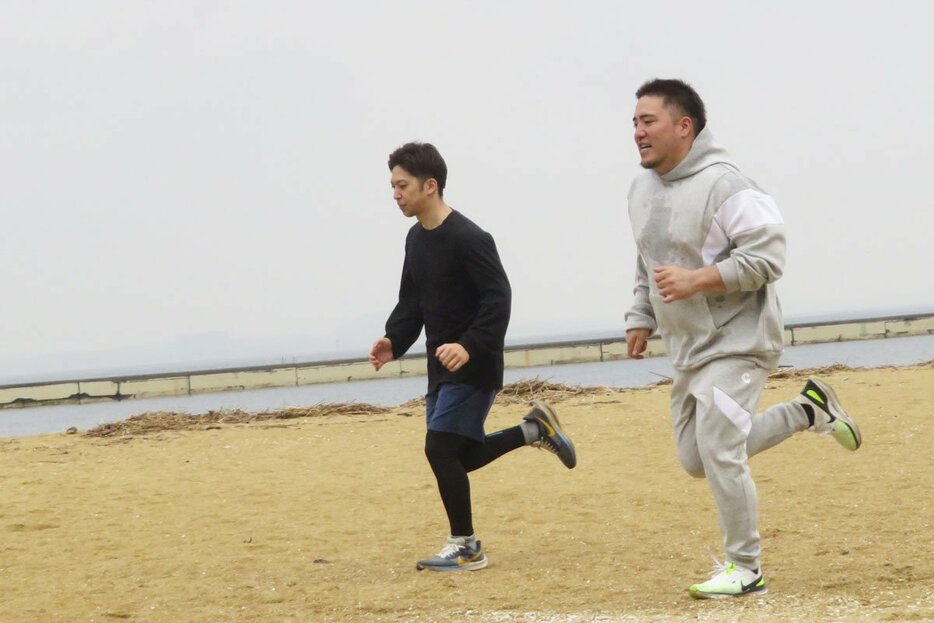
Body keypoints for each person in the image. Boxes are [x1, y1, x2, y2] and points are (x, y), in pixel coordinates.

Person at [624, 79, 862, 598]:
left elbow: (769, 258)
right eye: (635, 122)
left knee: (719, 447)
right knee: (696, 458)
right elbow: (646, 261)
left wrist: (696, 280)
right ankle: (808, 411)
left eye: (649, 121)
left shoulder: (728, 185)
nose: (637, 132)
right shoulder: (640, 191)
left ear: (684, 126)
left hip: (741, 341)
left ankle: (746, 567)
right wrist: (640, 315)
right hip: (688, 348)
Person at [369, 141, 576, 572]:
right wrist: (393, 340)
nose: (395, 194)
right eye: (392, 185)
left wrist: (469, 345)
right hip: (438, 367)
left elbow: (498, 299)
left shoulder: (470, 238)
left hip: (474, 364)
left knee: (438, 449)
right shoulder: (415, 239)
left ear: (431, 185)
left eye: (401, 185)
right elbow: (413, 301)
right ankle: (533, 430)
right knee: (459, 457)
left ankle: (466, 546)